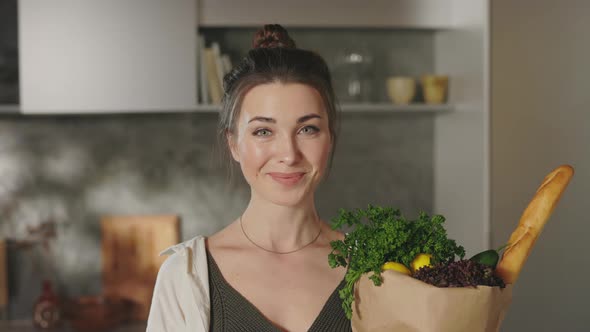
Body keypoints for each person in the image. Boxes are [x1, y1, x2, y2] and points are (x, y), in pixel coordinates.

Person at [146, 24, 350, 332]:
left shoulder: (374, 270)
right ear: (234, 144)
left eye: (308, 129)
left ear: (330, 139)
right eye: (263, 131)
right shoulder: (186, 276)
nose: (289, 154)